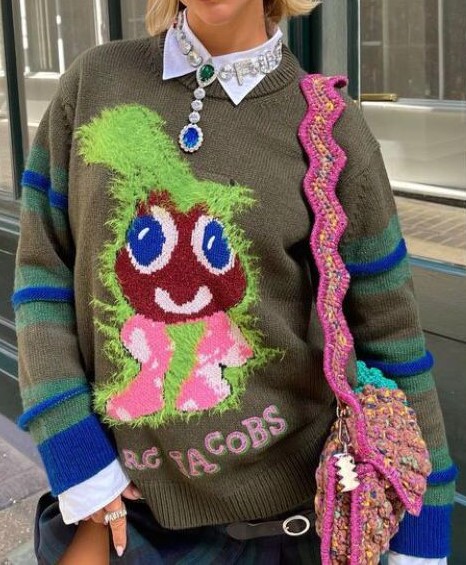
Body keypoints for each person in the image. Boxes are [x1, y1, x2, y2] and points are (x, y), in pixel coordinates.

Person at [12, 0, 456, 563]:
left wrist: (422, 534)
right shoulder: (95, 82)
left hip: (285, 530)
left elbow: (392, 337)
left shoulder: (331, 129)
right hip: (120, 509)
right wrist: (75, 452)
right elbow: (43, 273)